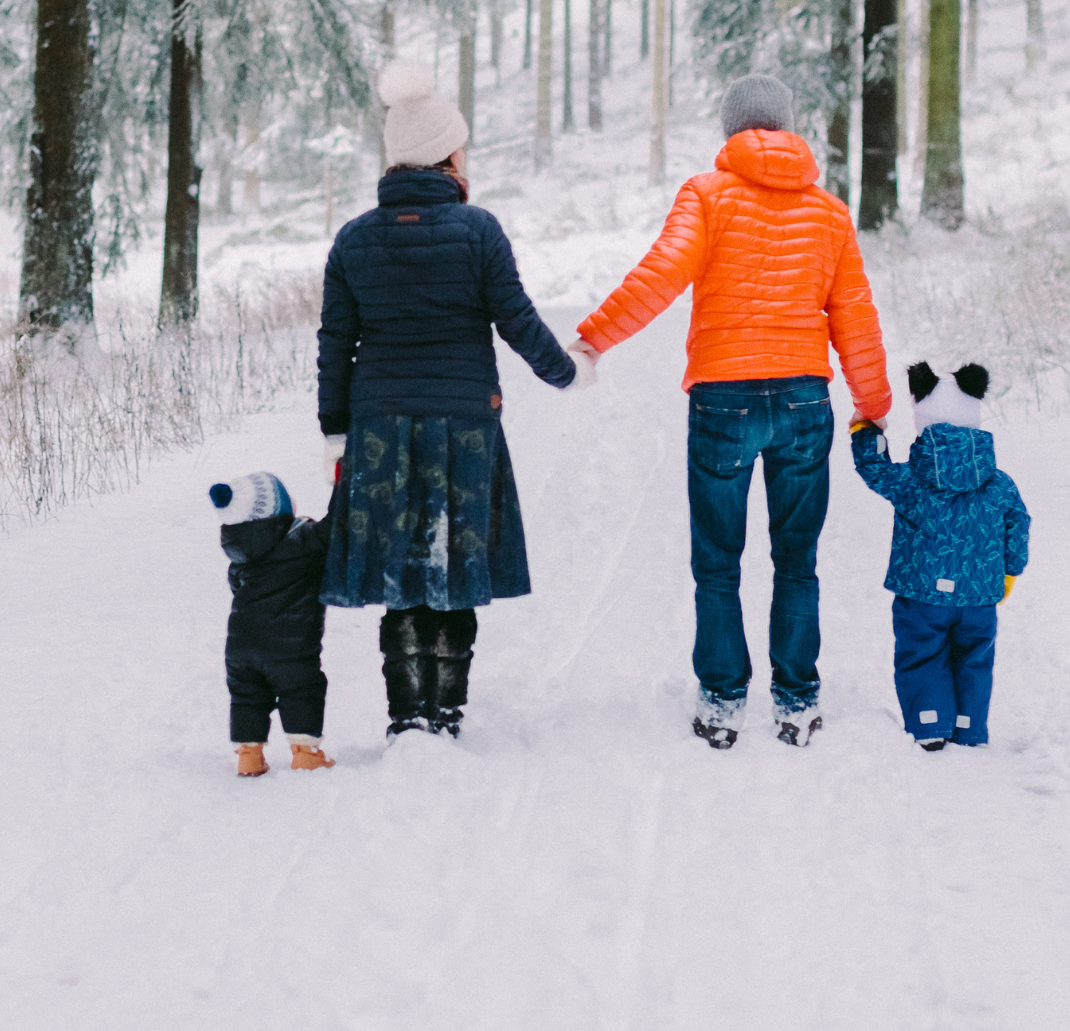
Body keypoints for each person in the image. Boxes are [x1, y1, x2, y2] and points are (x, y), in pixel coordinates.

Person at [574, 73, 891, 750]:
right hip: (805, 398)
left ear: (731, 131)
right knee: (796, 557)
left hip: (723, 398)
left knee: (718, 558)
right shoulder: (830, 213)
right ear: (788, 126)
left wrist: (595, 337)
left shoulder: (707, 195)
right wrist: (874, 404)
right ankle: (797, 698)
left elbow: (660, 272)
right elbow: (855, 318)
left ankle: (722, 697)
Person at [318, 60, 591, 739]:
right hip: (465, 425)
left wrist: (334, 429)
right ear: (446, 152)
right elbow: (517, 319)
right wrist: (569, 371)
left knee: (400, 573)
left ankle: (406, 713)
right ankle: (446, 709)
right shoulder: (478, 231)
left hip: (379, 426)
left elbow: (335, 343)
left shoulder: (353, 239)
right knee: (453, 566)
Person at [850, 362, 1030, 750]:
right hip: (979, 596)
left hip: (921, 595)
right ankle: (968, 728)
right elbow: (1018, 522)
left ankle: (930, 725)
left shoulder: (913, 479)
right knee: (974, 661)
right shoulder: (998, 482)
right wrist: (1009, 572)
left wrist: (865, 432)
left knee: (922, 656)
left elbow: (874, 470)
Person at [214, 472, 336, 777]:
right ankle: (306, 754)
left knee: (247, 696)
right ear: (275, 513)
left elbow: (235, 587)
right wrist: (342, 482)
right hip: (290, 646)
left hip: (240, 648)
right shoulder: (302, 542)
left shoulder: (241, 556)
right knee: (301, 689)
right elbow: (336, 525)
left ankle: (249, 756)